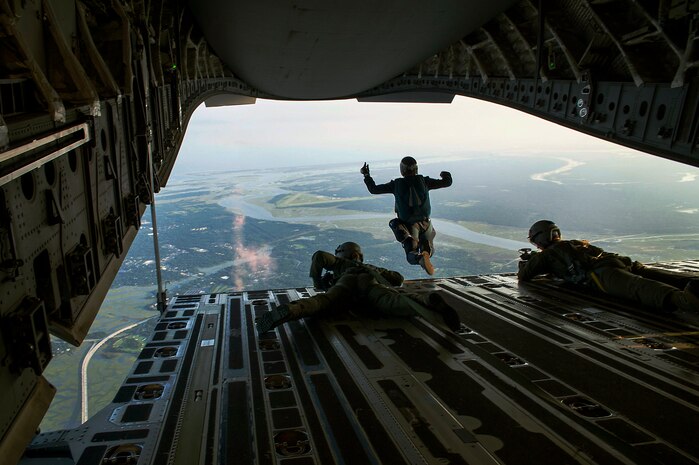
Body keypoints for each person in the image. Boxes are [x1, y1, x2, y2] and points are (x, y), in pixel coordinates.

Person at [255, 241, 461, 334]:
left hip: (347, 283)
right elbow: (398, 279)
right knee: (394, 302)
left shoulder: (340, 264)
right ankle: (428, 300)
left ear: (342, 253)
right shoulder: (369, 266)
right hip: (370, 282)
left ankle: (292, 310)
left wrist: (319, 283)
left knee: (321, 303)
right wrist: (382, 274)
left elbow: (319, 256)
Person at [518, 220, 699, 312]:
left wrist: (527, 261)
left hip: (601, 274)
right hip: (617, 261)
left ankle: (685, 300)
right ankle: (692, 284)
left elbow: (525, 276)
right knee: (653, 274)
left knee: (639, 287)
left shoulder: (547, 255)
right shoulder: (573, 243)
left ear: (540, 238)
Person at [360, 157, 452, 275]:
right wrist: (445, 174)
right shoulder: (424, 181)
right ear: (416, 169)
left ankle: (419, 257)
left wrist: (366, 175)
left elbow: (374, 189)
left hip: (409, 225)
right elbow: (447, 182)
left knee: (411, 250)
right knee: (428, 246)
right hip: (426, 223)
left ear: (402, 170)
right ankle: (426, 252)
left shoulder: (396, 184)